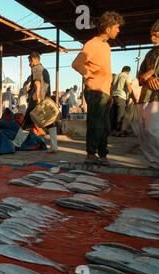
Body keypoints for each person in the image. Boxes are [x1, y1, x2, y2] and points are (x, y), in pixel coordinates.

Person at [72, 11, 125, 166]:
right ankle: (91, 154)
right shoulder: (92, 44)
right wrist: (89, 74)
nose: (118, 30)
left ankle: (102, 154)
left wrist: (108, 95)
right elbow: (77, 63)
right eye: (116, 27)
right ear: (107, 29)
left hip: (104, 93)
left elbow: (106, 72)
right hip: (95, 91)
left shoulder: (106, 46)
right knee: (96, 124)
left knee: (105, 126)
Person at [23, 51, 57, 153]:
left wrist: (36, 97)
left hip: (36, 101)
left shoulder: (36, 68)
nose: (29, 64)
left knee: (27, 123)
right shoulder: (45, 70)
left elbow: (37, 84)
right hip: (45, 100)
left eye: (29, 61)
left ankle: (17, 143)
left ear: (33, 60)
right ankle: (54, 146)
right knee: (50, 122)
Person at [136, 19, 159, 167]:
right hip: (146, 97)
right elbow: (139, 77)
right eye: (151, 35)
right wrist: (147, 77)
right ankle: (154, 163)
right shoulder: (150, 53)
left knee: (152, 130)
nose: (152, 38)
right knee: (144, 132)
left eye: (156, 35)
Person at [111, 66, 133, 136]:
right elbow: (129, 86)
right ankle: (118, 132)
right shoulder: (126, 75)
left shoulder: (116, 76)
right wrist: (132, 96)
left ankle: (113, 131)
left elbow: (111, 86)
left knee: (114, 114)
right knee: (120, 115)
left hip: (114, 96)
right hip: (121, 96)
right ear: (128, 71)